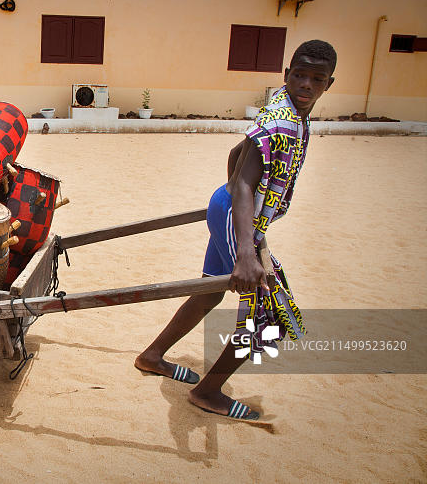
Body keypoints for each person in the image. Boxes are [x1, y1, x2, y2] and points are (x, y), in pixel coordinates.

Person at [135, 40, 337, 420]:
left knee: (210, 291)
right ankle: (208, 392)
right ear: (286, 75)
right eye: (299, 75)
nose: (306, 84)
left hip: (235, 214)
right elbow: (244, 181)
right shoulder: (282, 121)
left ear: (329, 84)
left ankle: (151, 356)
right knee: (270, 316)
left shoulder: (291, 110)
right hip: (236, 218)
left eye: (316, 79)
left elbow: (236, 155)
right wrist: (246, 247)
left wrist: (240, 212)